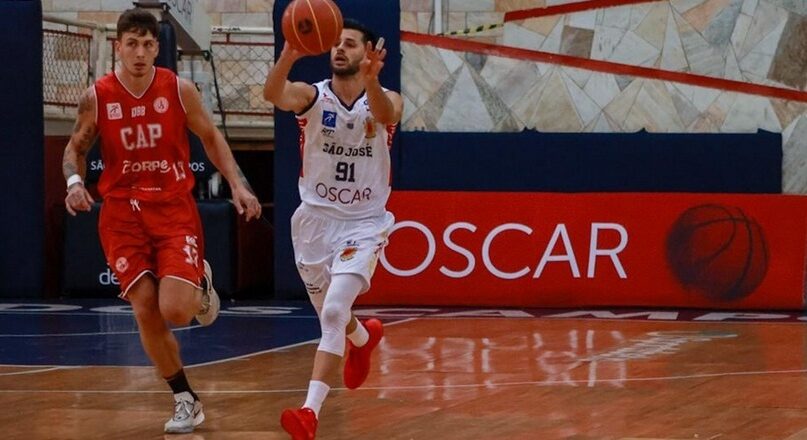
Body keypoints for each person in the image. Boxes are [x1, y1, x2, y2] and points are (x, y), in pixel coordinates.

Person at [61, 8, 261, 434]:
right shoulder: (98, 96)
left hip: (172, 207)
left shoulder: (178, 89)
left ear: (157, 49)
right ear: (119, 46)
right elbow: (74, 147)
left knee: (175, 309)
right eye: (131, 43)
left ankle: (200, 286)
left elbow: (211, 137)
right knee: (145, 309)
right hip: (120, 214)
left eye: (147, 44)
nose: (139, 52)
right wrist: (75, 182)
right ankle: (185, 397)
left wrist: (239, 186)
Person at [263, 18, 403, 440]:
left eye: (350, 44)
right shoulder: (312, 96)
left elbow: (385, 113)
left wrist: (373, 83)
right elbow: (272, 94)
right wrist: (290, 51)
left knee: (334, 311)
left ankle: (310, 413)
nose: (340, 49)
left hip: (363, 223)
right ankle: (362, 339)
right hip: (313, 222)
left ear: (367, 54)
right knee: (333, 315)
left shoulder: (386, 98)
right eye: (336, 43)